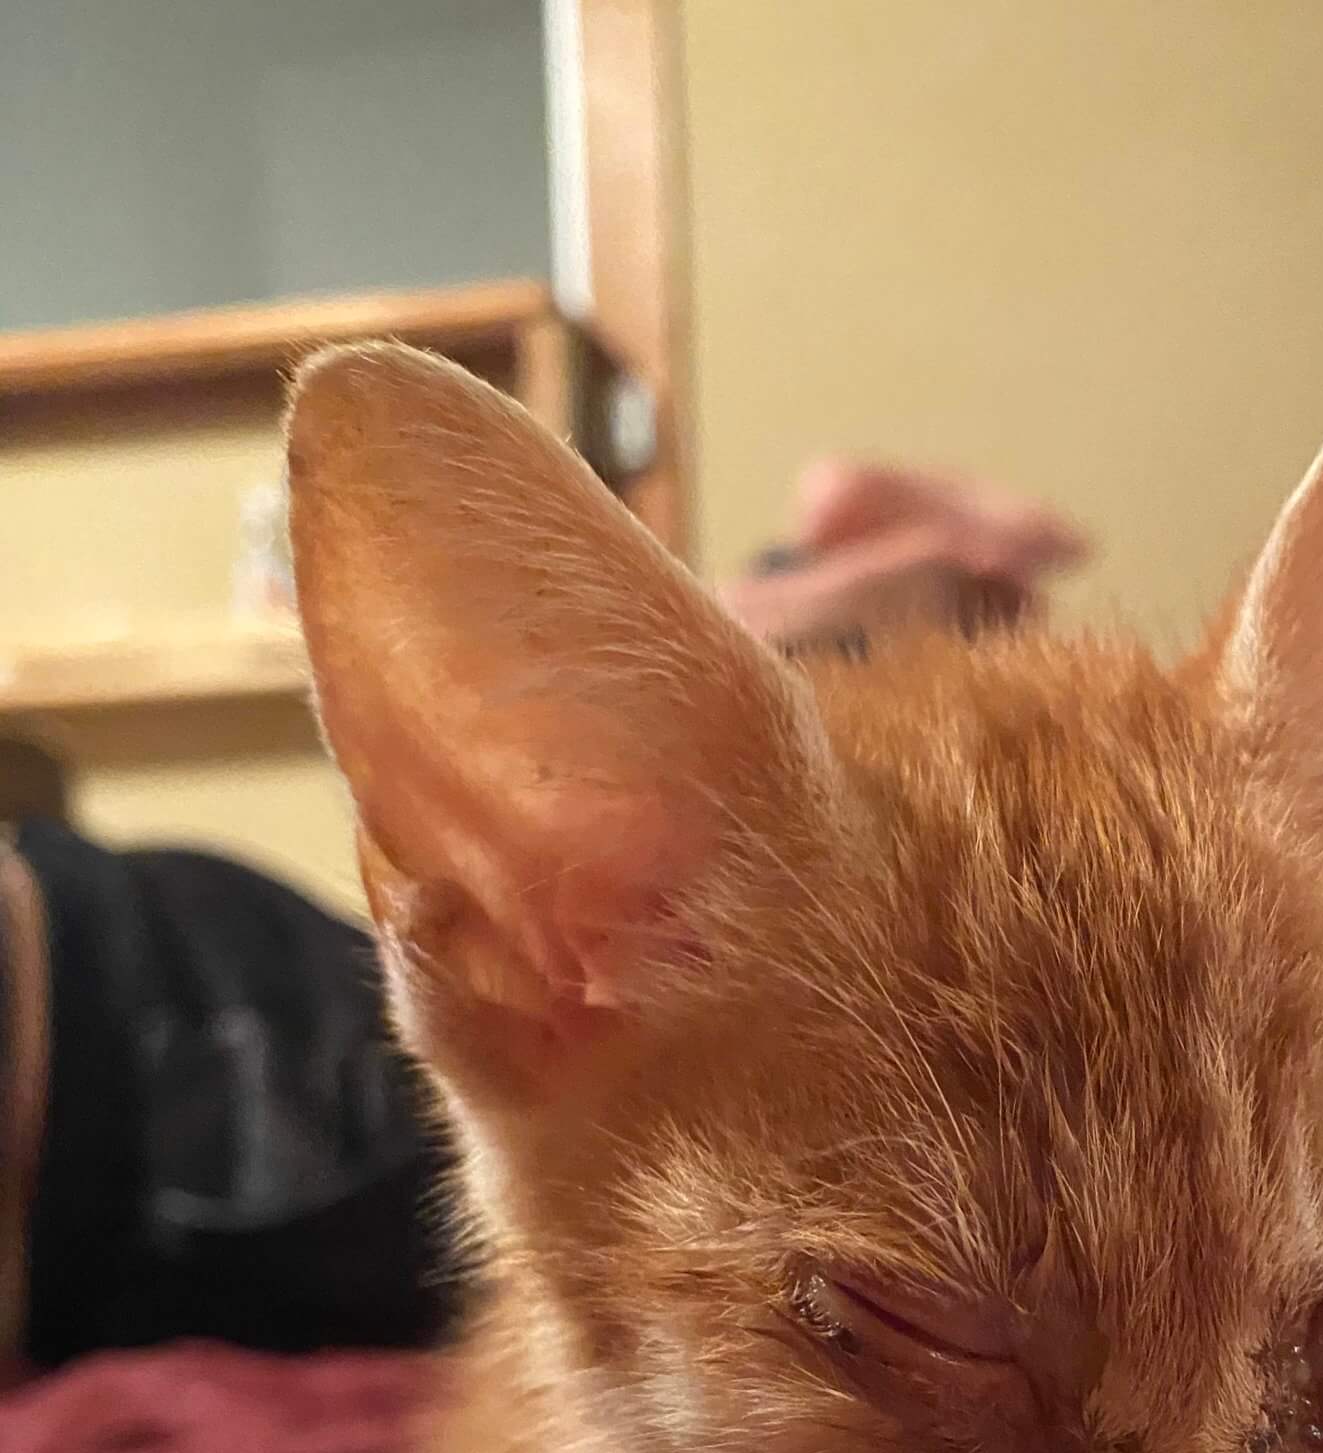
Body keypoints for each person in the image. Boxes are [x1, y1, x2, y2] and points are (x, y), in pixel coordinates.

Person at [0, 464, 1090, 1370]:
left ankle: (825, 621)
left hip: (140, 1064)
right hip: (108, 965)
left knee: (597, 1113)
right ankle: (801, 605)